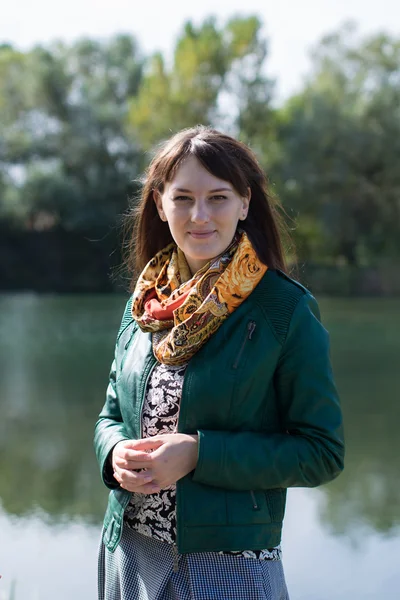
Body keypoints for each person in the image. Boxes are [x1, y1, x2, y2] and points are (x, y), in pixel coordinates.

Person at [94, 126, 345, 600]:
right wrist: (113, 453)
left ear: (245, 203)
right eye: (183, 198)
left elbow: (322, 453)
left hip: (229, 567)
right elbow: (110, 416)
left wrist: (198, 454)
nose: (200, 215)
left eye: (219, 197)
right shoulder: (145, 304)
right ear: (159, 203)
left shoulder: (283, 310)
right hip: (128, 553)